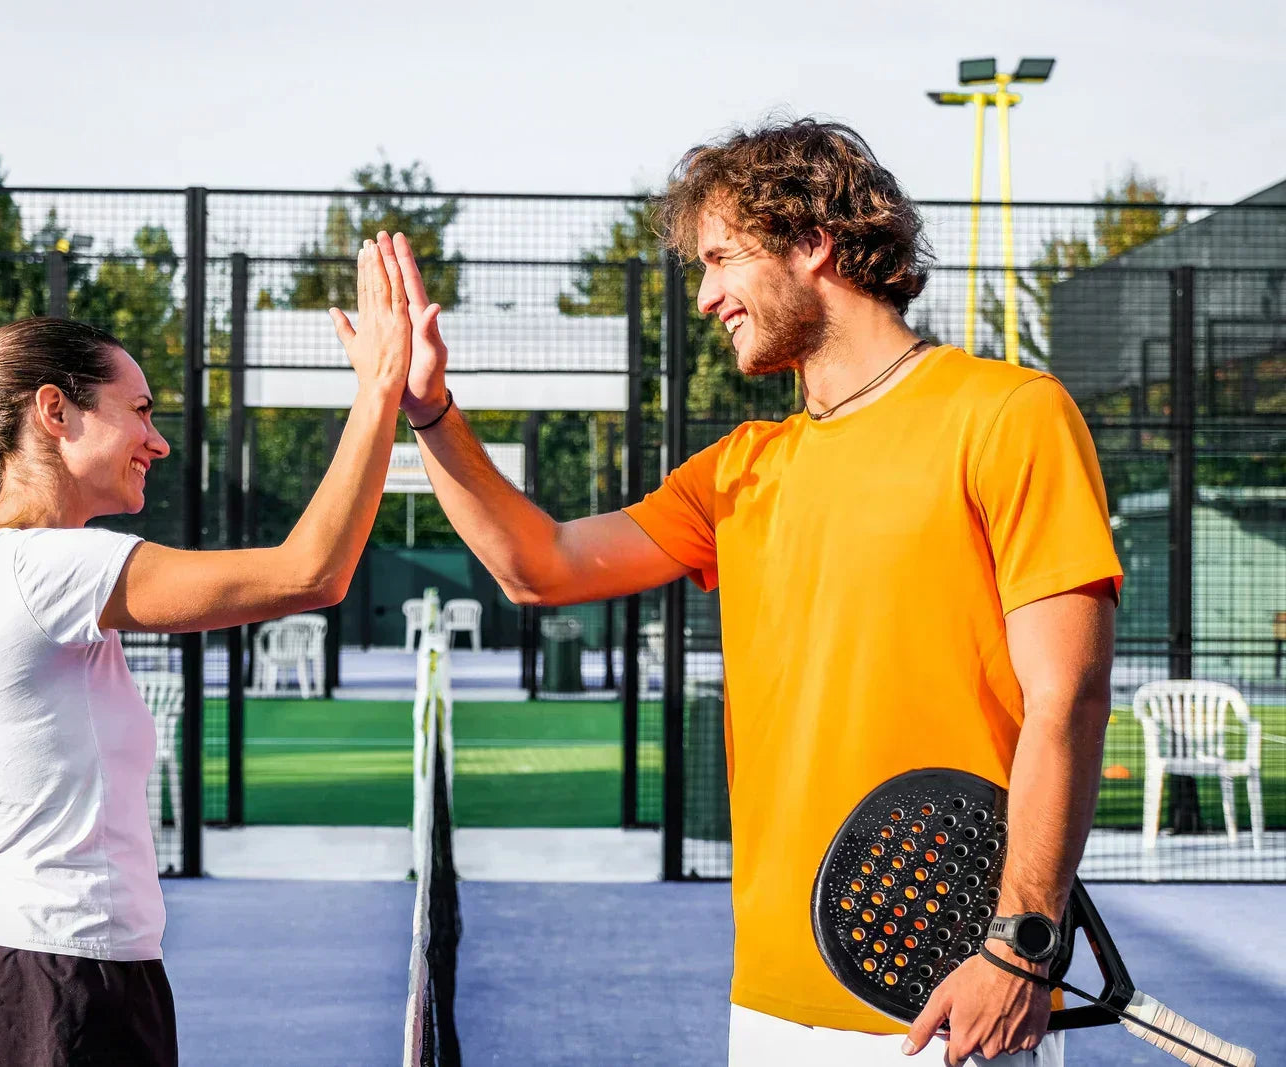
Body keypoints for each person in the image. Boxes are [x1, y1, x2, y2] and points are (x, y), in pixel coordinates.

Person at [389, 120, 1121, 1067]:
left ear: (812, 239)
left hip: (947, 999)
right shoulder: (741, 469)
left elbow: (1070, 696)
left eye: (723, 257)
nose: (706, 295)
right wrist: (430, 412)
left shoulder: (1011, 416)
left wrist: (1020, 944)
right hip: (770, 1000)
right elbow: (541, 564)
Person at [0, 234, 416, 1065]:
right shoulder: (50, 568)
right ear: (55, 412)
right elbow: (311, 573)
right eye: (141, 410)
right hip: (66, 987)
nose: (157, 441)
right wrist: (381, 389)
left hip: (3, 980)